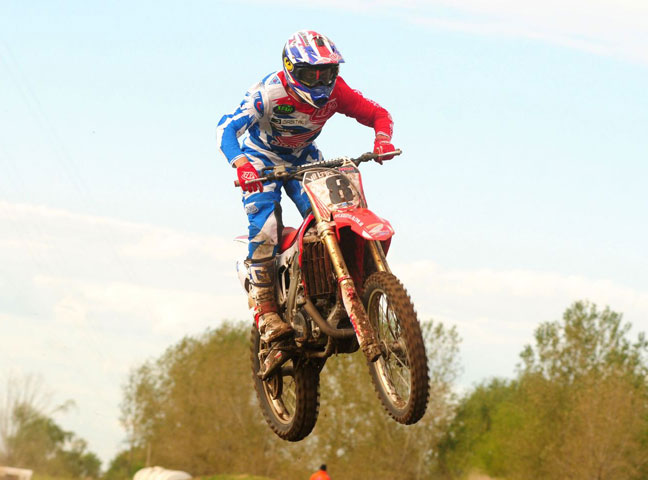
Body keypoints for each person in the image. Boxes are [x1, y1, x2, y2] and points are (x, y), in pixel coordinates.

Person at [216, 30, 396, 377]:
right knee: (266, 228)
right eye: (310, 74)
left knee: (330, 219)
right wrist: (241, 164)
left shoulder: (337, 92)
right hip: (261, 162)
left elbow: (378, 113)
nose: (320, 81)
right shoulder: (268, 93)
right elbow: (225, 128)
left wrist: (383, 140)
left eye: (327, 73)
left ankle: (329, 291)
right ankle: (267, 312)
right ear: (290, 69)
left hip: (305, 160)